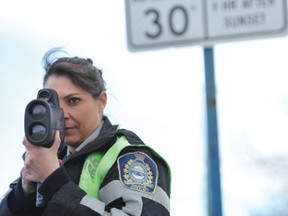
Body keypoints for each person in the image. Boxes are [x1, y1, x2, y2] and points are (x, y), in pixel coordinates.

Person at [0, 48, 171, 215]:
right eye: (54, 104)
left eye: (73, 101)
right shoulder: (48, 158)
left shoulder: (131, 157)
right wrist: (23, 193)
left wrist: (54, 182)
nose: (62, 114)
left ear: (102, 101)